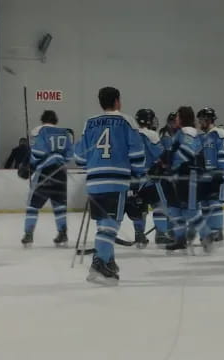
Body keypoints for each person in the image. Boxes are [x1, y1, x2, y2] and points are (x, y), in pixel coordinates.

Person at [74, 87, 146, 285]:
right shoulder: (126, 121)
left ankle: (109, 261)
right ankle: (99, 265)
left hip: (95, 181)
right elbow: (137, 153)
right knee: (111, 225)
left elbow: (79, 156)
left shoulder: (89, 123)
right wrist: (138, 174)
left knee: (103, 224)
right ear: (117, 101)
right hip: (116, 179)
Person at [20, 110, 73, 247]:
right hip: (61, 173)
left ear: (43, 120)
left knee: (33, 205)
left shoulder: (42, 132)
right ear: (56, 120)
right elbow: (69, 154)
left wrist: (29, 165)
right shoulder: (64, 132)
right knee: (59, 205)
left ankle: (28, 234)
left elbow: (38, 152)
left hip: (45, 172)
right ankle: (63, 233)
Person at [163, 106, 204, 253]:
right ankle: (180, 239)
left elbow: (187, 151)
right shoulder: (180, 133)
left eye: (178, 116)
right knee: (175, 209)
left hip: (189, 177)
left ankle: (207, 238)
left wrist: (172, 166)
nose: (176, 119)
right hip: (180, 177)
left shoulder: (188, 131)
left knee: (190, 211)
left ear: (184, 118)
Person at [124, 108, 164, 248]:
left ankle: (139, 235)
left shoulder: (130, 134)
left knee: (139, 206)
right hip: (149, 179)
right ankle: (161, 234)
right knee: (160, 205)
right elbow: (159, 155)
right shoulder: (152, 135)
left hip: (132, 179)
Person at [197, 107, 224, 251]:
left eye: (202, 120)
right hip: (204, 177)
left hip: (217, 176)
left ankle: (217, 232)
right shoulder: (201, 137)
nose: (200, 123)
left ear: (209, 120)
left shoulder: (219, 133)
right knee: (204, 205)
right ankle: (208, 232)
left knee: (214, 204)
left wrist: (222, 172)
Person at [154, 111, 178, 246]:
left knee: (170, 204)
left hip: (169, 174)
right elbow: (166, 156)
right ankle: (163, 232)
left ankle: (169, 231)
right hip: (165, 175)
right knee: (167, 204)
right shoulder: (166, 136)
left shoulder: (172, 134)